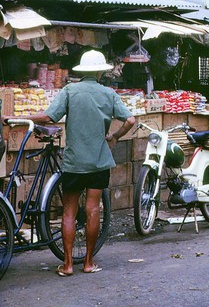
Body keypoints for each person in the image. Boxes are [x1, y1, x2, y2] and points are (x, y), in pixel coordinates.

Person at [6, 49, 136, 276]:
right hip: (98, 161)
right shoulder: (108, 93)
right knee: (93, 209)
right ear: (99, 72)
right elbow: (131, 120)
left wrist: (15, 118)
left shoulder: (70, 91)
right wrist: (115, 136)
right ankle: (88, 263)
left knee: (69, 211)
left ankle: (67, 265)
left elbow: (48, 117)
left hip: (74, 161)